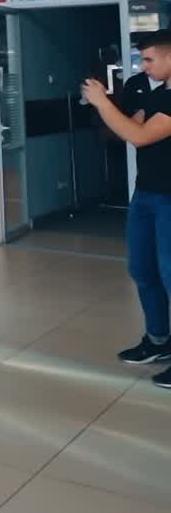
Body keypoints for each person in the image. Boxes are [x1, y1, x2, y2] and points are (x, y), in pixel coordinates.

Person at [81, 28, 171, 388]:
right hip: (146, 195)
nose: (144, 67)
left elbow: (140, 137)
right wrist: (106, 105)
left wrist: (103, 103)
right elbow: (130, 128)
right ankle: (159, 340)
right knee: (143, 270)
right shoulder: (158, 94)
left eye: (149, 59)